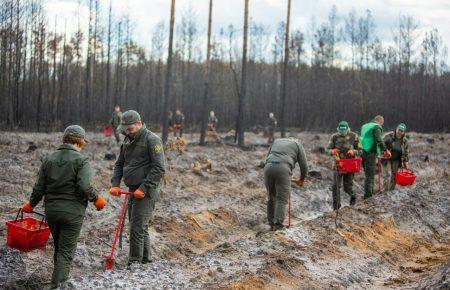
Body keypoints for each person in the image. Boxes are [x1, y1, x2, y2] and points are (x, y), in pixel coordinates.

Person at [21, 125, 106, 289]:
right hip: (72, 213)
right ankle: (57, 286)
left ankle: (58, 279)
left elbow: (39, 187)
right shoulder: (82, 160)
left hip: (52, 212)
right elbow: (84, 186)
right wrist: (96, 199)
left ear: (64, 139)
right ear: (81, 141)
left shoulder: (49, 158)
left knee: (60, 248)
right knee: (66, 252)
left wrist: (31, 204)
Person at [110, 110, 165, 266]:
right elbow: (119, 164)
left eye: (131, 129)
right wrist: (115, 184)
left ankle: (134, 263)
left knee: (136, 227)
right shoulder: (127, 141)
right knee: (139, 226)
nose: (128, 132)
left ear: (139, 123)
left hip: (146, 190)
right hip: (133, 189)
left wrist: (144, 187)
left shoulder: (152, 140)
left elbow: (159, 168)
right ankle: (146, 261)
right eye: (125, 130)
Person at [264, 138, 308, 231]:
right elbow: (304, 165)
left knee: (271, 196)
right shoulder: (297, 144)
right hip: (283, 169)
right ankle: (278, 225)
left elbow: (268, 156)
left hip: (268, 168)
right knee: (282, 199)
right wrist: (302, 179)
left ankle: (271, 222)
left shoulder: (276, 141)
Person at [327, 121, 362, 209]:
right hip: (337, 164)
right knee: (335, 186)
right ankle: (336, 207)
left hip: (349, 165)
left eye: (344, 130)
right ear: (338, 129)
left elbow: (361, 150)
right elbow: (328, 149)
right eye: (341, 130)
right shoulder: (334, 137)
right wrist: (332, 151)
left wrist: (353, 151)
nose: (342, 131)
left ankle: (353, 196)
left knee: (347, 187)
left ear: (347, 128)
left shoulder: (354, 136)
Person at [360, 115, 391, 199]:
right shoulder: (376, 127)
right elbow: (379, 140)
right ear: (380, 121)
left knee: (367, 174)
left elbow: (368, 139)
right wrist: (385, 150)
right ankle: (368, 197)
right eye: (382, 124)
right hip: (371, 153)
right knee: (370, 175)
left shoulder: (365, 126)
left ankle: (367, 194)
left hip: (363, 152)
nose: (381, 126)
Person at [383, 123, 409, 190]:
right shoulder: (389, 136)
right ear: (396, 129)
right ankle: (384, 192)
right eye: (399, 130)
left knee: (394, 176)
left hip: (396, 160)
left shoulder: (405, 141)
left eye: (401, 131)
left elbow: (406, 153)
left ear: (404, 132)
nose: (399, 132)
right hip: (386, 158)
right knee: (388, 175)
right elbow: (380, 143)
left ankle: (391, 191)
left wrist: (406, 163)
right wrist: (385, 151)